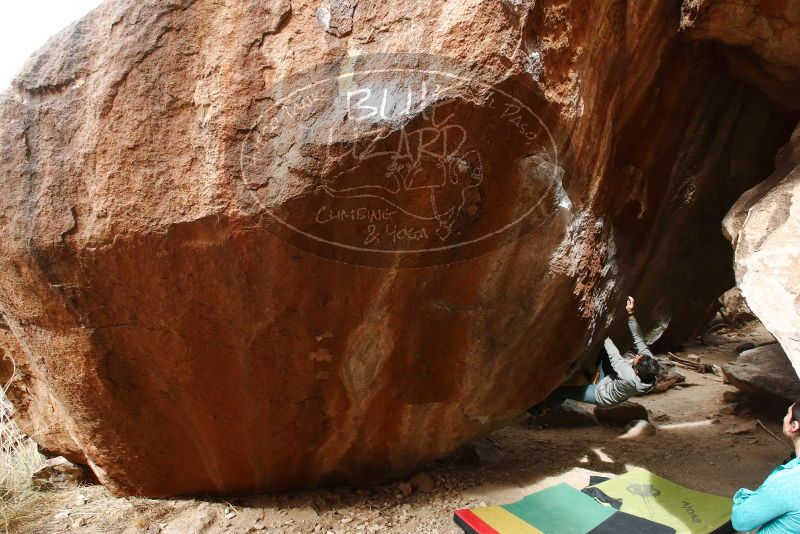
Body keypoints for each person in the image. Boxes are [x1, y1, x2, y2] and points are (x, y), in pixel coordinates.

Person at [539, 296, 661, 409]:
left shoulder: (628, 376)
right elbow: (638, 338)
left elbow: (615, 356)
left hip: (602, 395)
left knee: (560, 392)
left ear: (637, 370)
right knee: (604, 352)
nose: (638, 355)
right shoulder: (649, 366)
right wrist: (630, 313)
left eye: (637, 358)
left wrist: (604, 334)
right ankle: (594, 378)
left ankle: (542, 409)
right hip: (612, 378)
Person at [731, 402, 800, 533]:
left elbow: (741, 521)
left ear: (794, 426)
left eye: (788, 414)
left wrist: (750, 496)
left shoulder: (786, 481)